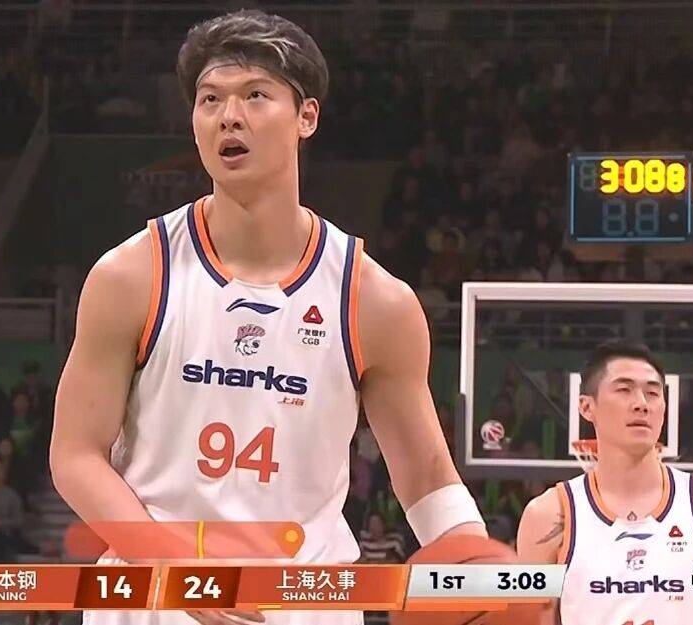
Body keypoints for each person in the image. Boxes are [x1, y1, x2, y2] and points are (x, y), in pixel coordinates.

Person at [51, 10, 485, 625]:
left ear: (307, 116)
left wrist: (475, 561)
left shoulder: (375, 299)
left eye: (255, 95)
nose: (229, 116)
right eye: (210, 100)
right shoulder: (131, 275)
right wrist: (175, 568)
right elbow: (75, 455)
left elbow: (426, 473)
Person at [516, 341, 693, 625]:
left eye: (652, 393)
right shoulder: (547, 515)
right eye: (624, 389)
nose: (641, 404)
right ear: (586, 406)